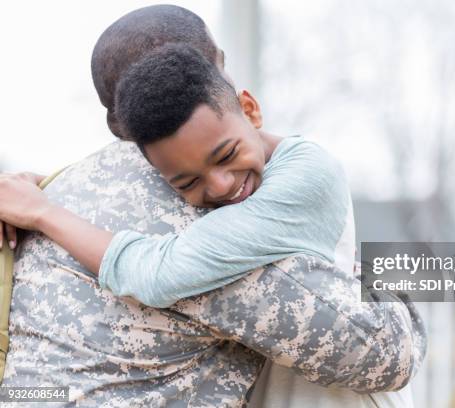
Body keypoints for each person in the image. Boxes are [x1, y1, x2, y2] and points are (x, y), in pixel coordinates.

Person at [0, 5, 425, 407]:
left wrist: (45, 206)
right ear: (218, 69)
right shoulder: (212, 220)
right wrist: (378, 280)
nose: (219, 184)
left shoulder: (57, 187)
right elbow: (381, 355)